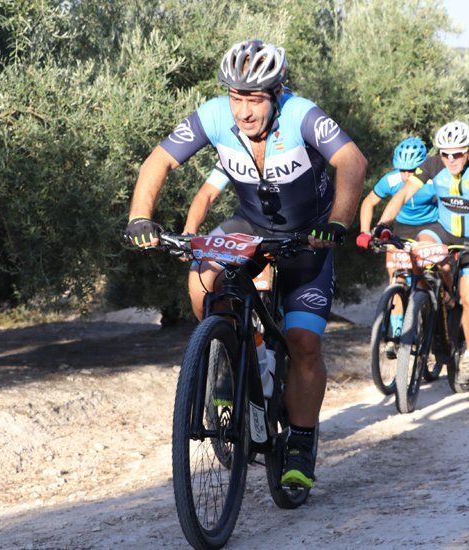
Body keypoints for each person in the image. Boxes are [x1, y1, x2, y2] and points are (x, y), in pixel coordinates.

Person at [125, 39, 367, 489]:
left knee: (303, 343)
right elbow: (157, 161)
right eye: (237, 97)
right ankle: (228, 352)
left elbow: (352, 161)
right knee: (202, 280)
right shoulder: (214, 114)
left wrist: (338, 222)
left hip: (308, 235)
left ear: (277, 94)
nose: (243, 111)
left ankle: (299, 440)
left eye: (254, 99)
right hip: (249, 224)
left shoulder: (302, 114)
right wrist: (140, 216)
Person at [375, 121, 469, 391]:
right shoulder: (433, 165)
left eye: (457, 154)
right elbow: (403, 194)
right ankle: (429, 302)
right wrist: (384, 224)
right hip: (443, 231)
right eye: (445, 153)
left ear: (468, 153)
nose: (450, 159)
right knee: (420, 248)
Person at [355, 137, 434, 357]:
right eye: (402, 170)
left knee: (426, 275)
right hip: (401, 229)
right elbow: (369, 202)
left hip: (430, 228)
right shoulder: (391, 180)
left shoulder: (433, 182)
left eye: (412, 170)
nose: (407, 175)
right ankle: (396, 332)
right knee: (397, 276)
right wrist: (364, 231)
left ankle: (431, 313)